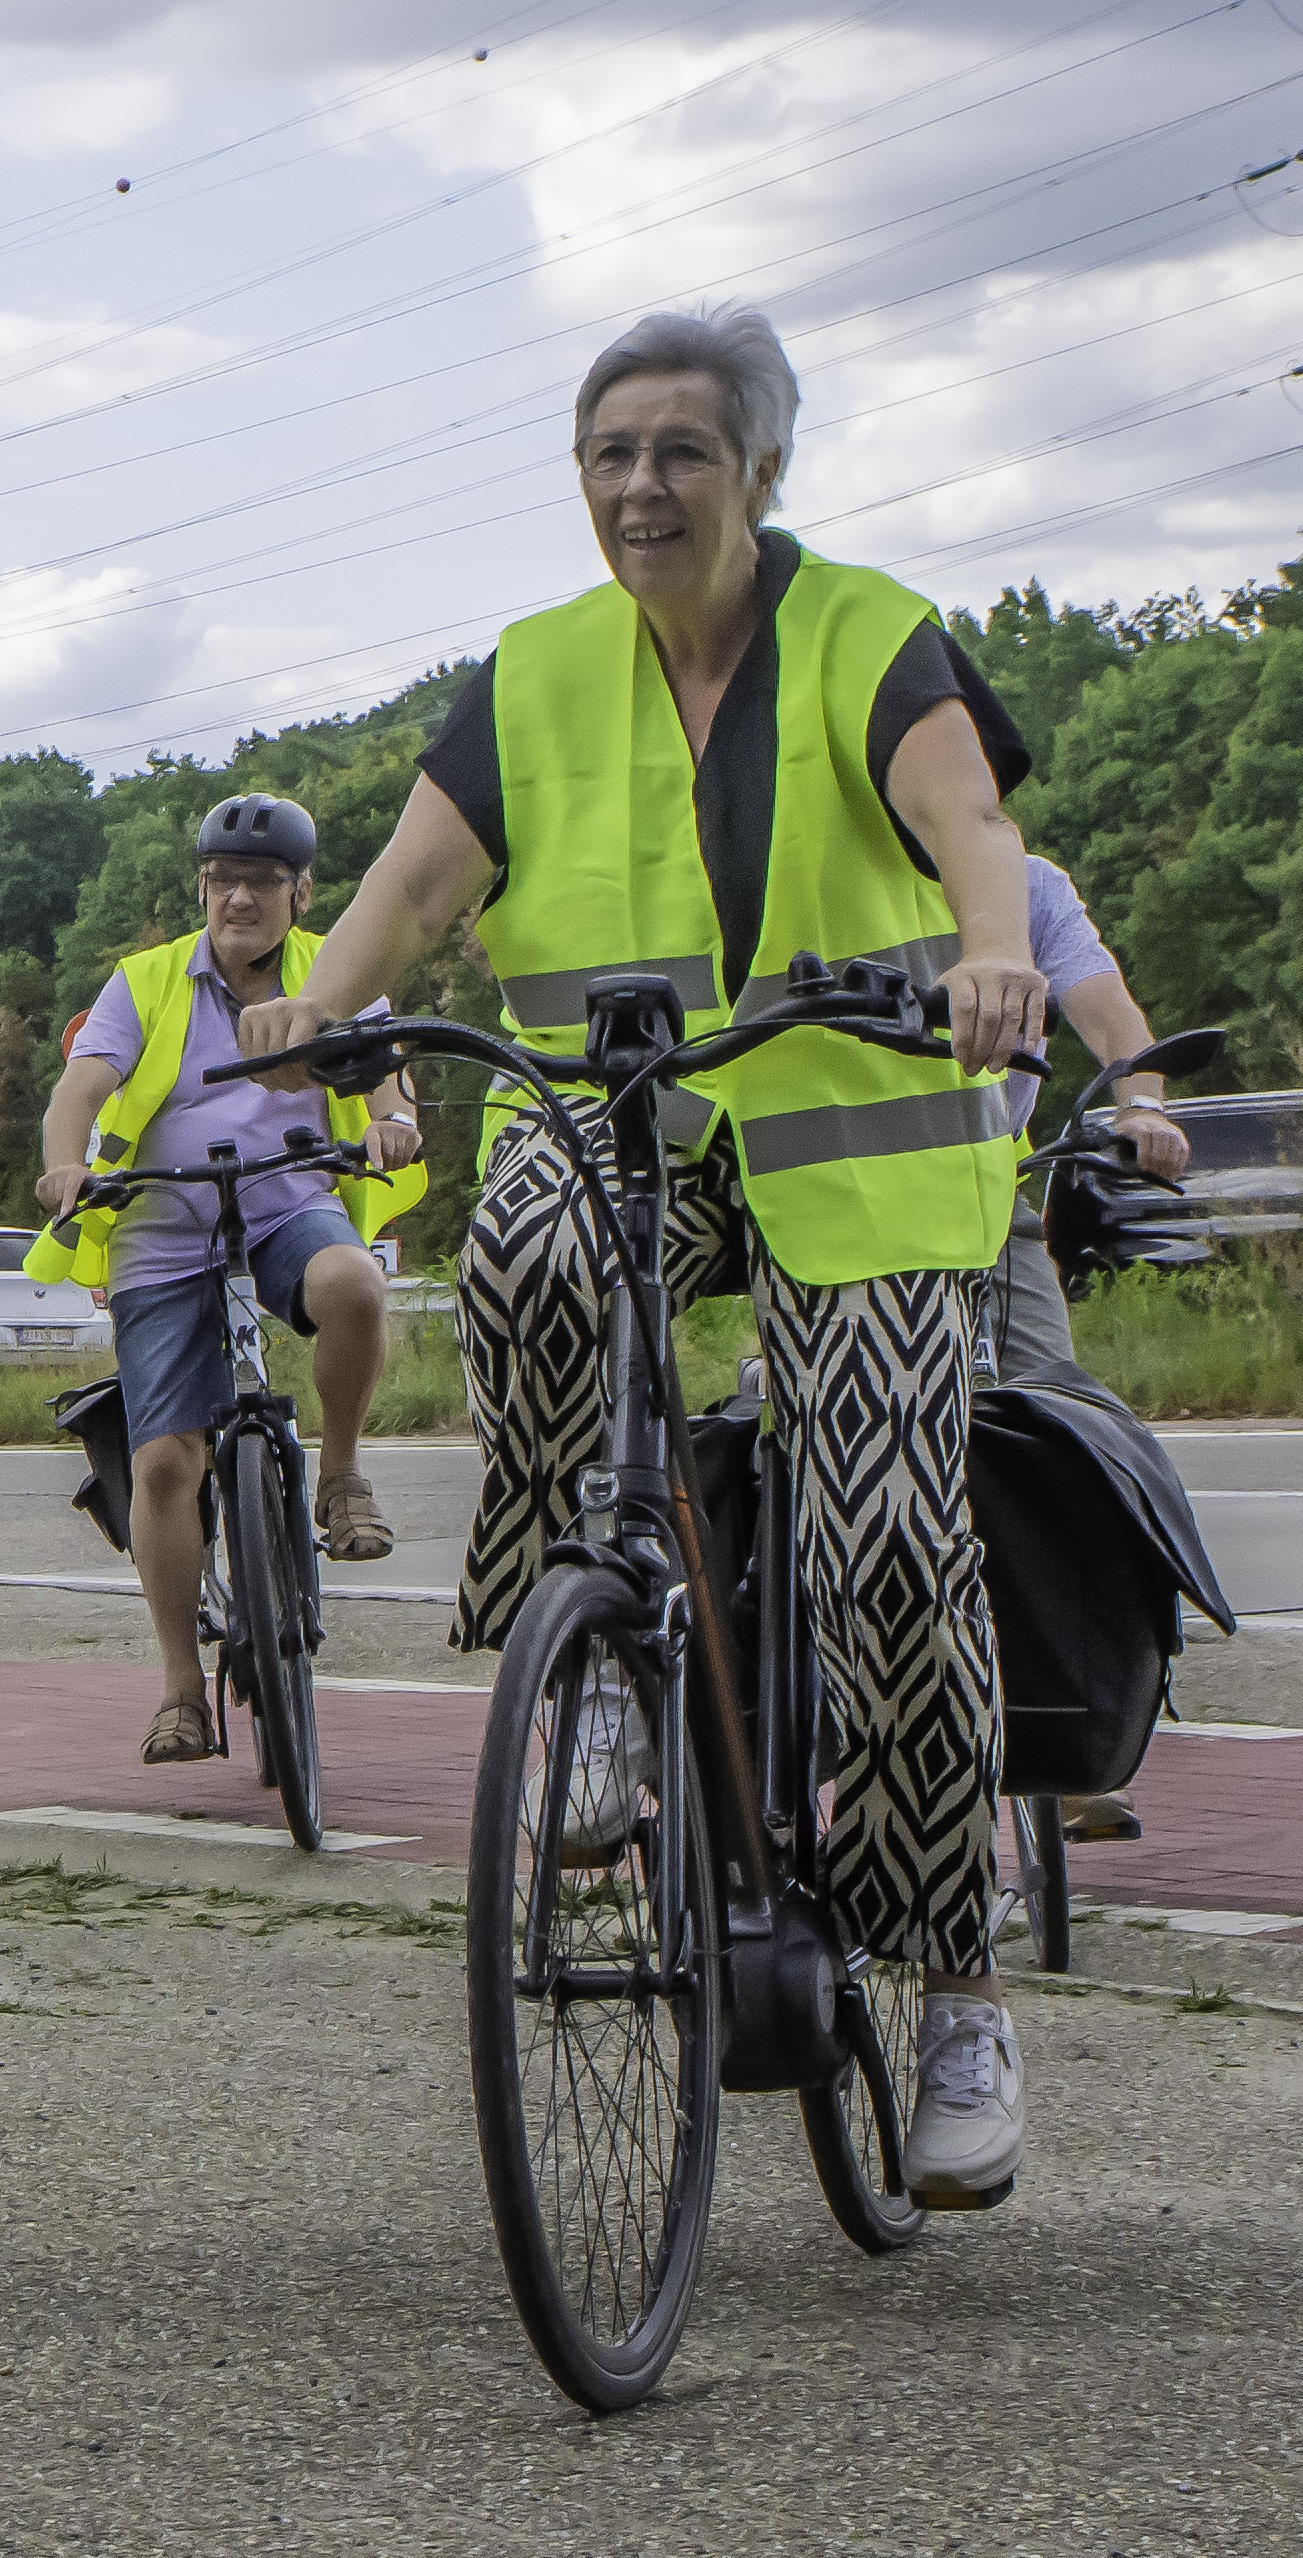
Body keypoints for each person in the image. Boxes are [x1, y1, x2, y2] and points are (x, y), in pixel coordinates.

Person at [244, 304, 1044, 2211]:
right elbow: (413, 879)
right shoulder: (531, 675)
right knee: (519, 1248)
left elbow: (965, 816)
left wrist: (993, 952)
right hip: (632, 1124)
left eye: (678, 450)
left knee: (882, 1542)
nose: (636, 486)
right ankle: (594, 1654)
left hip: (854, 1142)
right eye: (606, 453)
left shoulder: (864, 635)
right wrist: (319, 1006)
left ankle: (950, 1979)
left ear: (758, 469)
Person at [28, 794, 425, 1767]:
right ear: (201, 888)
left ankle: (339, 1477)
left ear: (300, 892)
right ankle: (179, 1688)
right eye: (221, 881)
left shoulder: (338, 969)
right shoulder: (145, 982)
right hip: (163, 1222)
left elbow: (387, 1074)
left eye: (259, 882)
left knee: (354, 1288)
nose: (238, 898)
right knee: (166, 1463)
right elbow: (79, 1088)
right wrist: (66, 1164)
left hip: (288, 1198)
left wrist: (392, 1121)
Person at [992, 854, 1192, 1846]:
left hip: (989, 1195)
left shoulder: (1030, 885)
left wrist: (1139, 1102)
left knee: (1060, 1436)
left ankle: (1065, 1729)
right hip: (849, 1202)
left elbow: (1106, 1008)